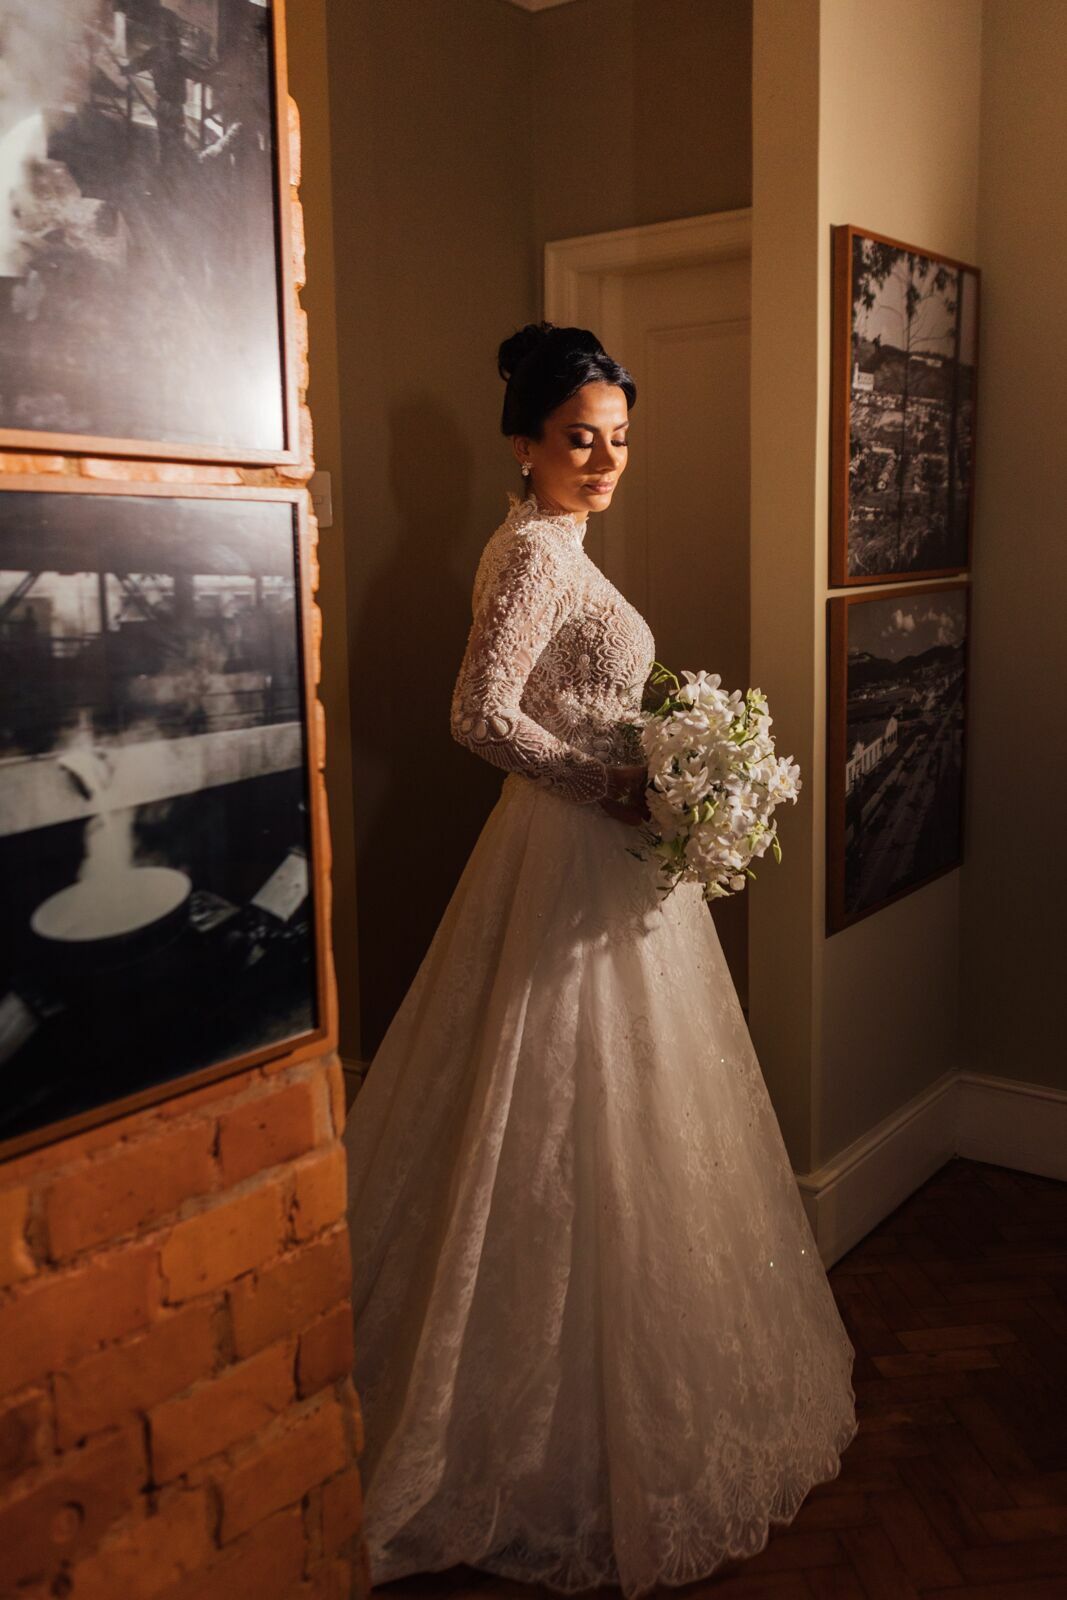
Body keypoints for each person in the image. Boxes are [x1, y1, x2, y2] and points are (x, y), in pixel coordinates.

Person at [342, 322, 858, 1598]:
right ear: (523, 443)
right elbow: (476, 713)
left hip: (594, 853)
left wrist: (671, 762)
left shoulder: (562, 547)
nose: (603, 459)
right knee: (548, 1107)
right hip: (565, 852)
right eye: (580, 438)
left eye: (619, 440)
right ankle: (536, 1434)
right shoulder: (526, 547)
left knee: (616, 1115)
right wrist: (616, 784)